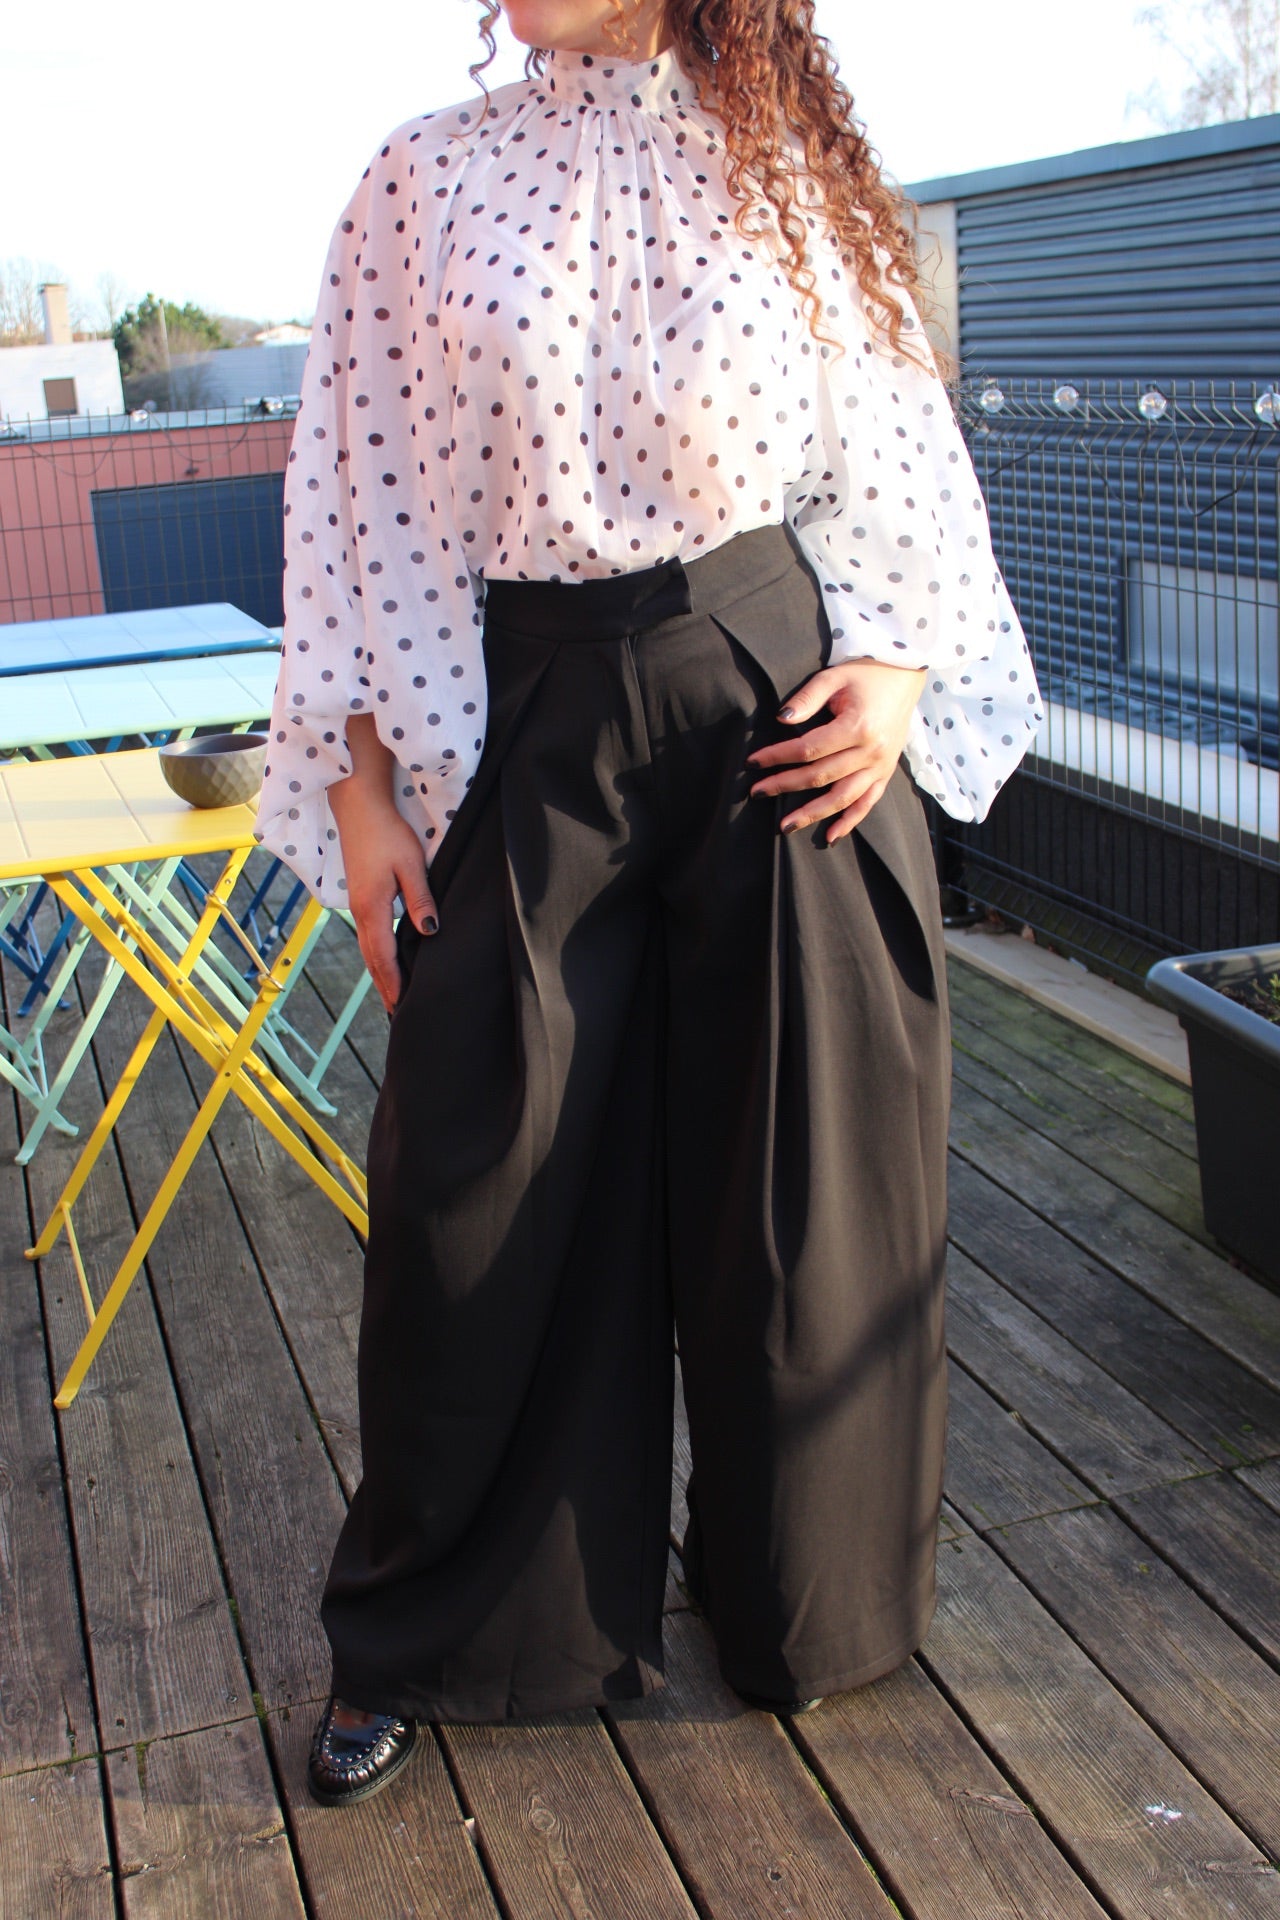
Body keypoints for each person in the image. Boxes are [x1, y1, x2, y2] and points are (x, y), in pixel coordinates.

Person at [255, 0, 1041, 1808]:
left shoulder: (789, 165)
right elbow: (356, 502)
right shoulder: (421, 181)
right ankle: (440, 1633)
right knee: (477, 1178)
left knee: (803, 1196)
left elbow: (899, 458)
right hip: (525, 710)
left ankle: (800, 1605)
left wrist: (901, 667)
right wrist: (361, 787)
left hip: (780, 709)